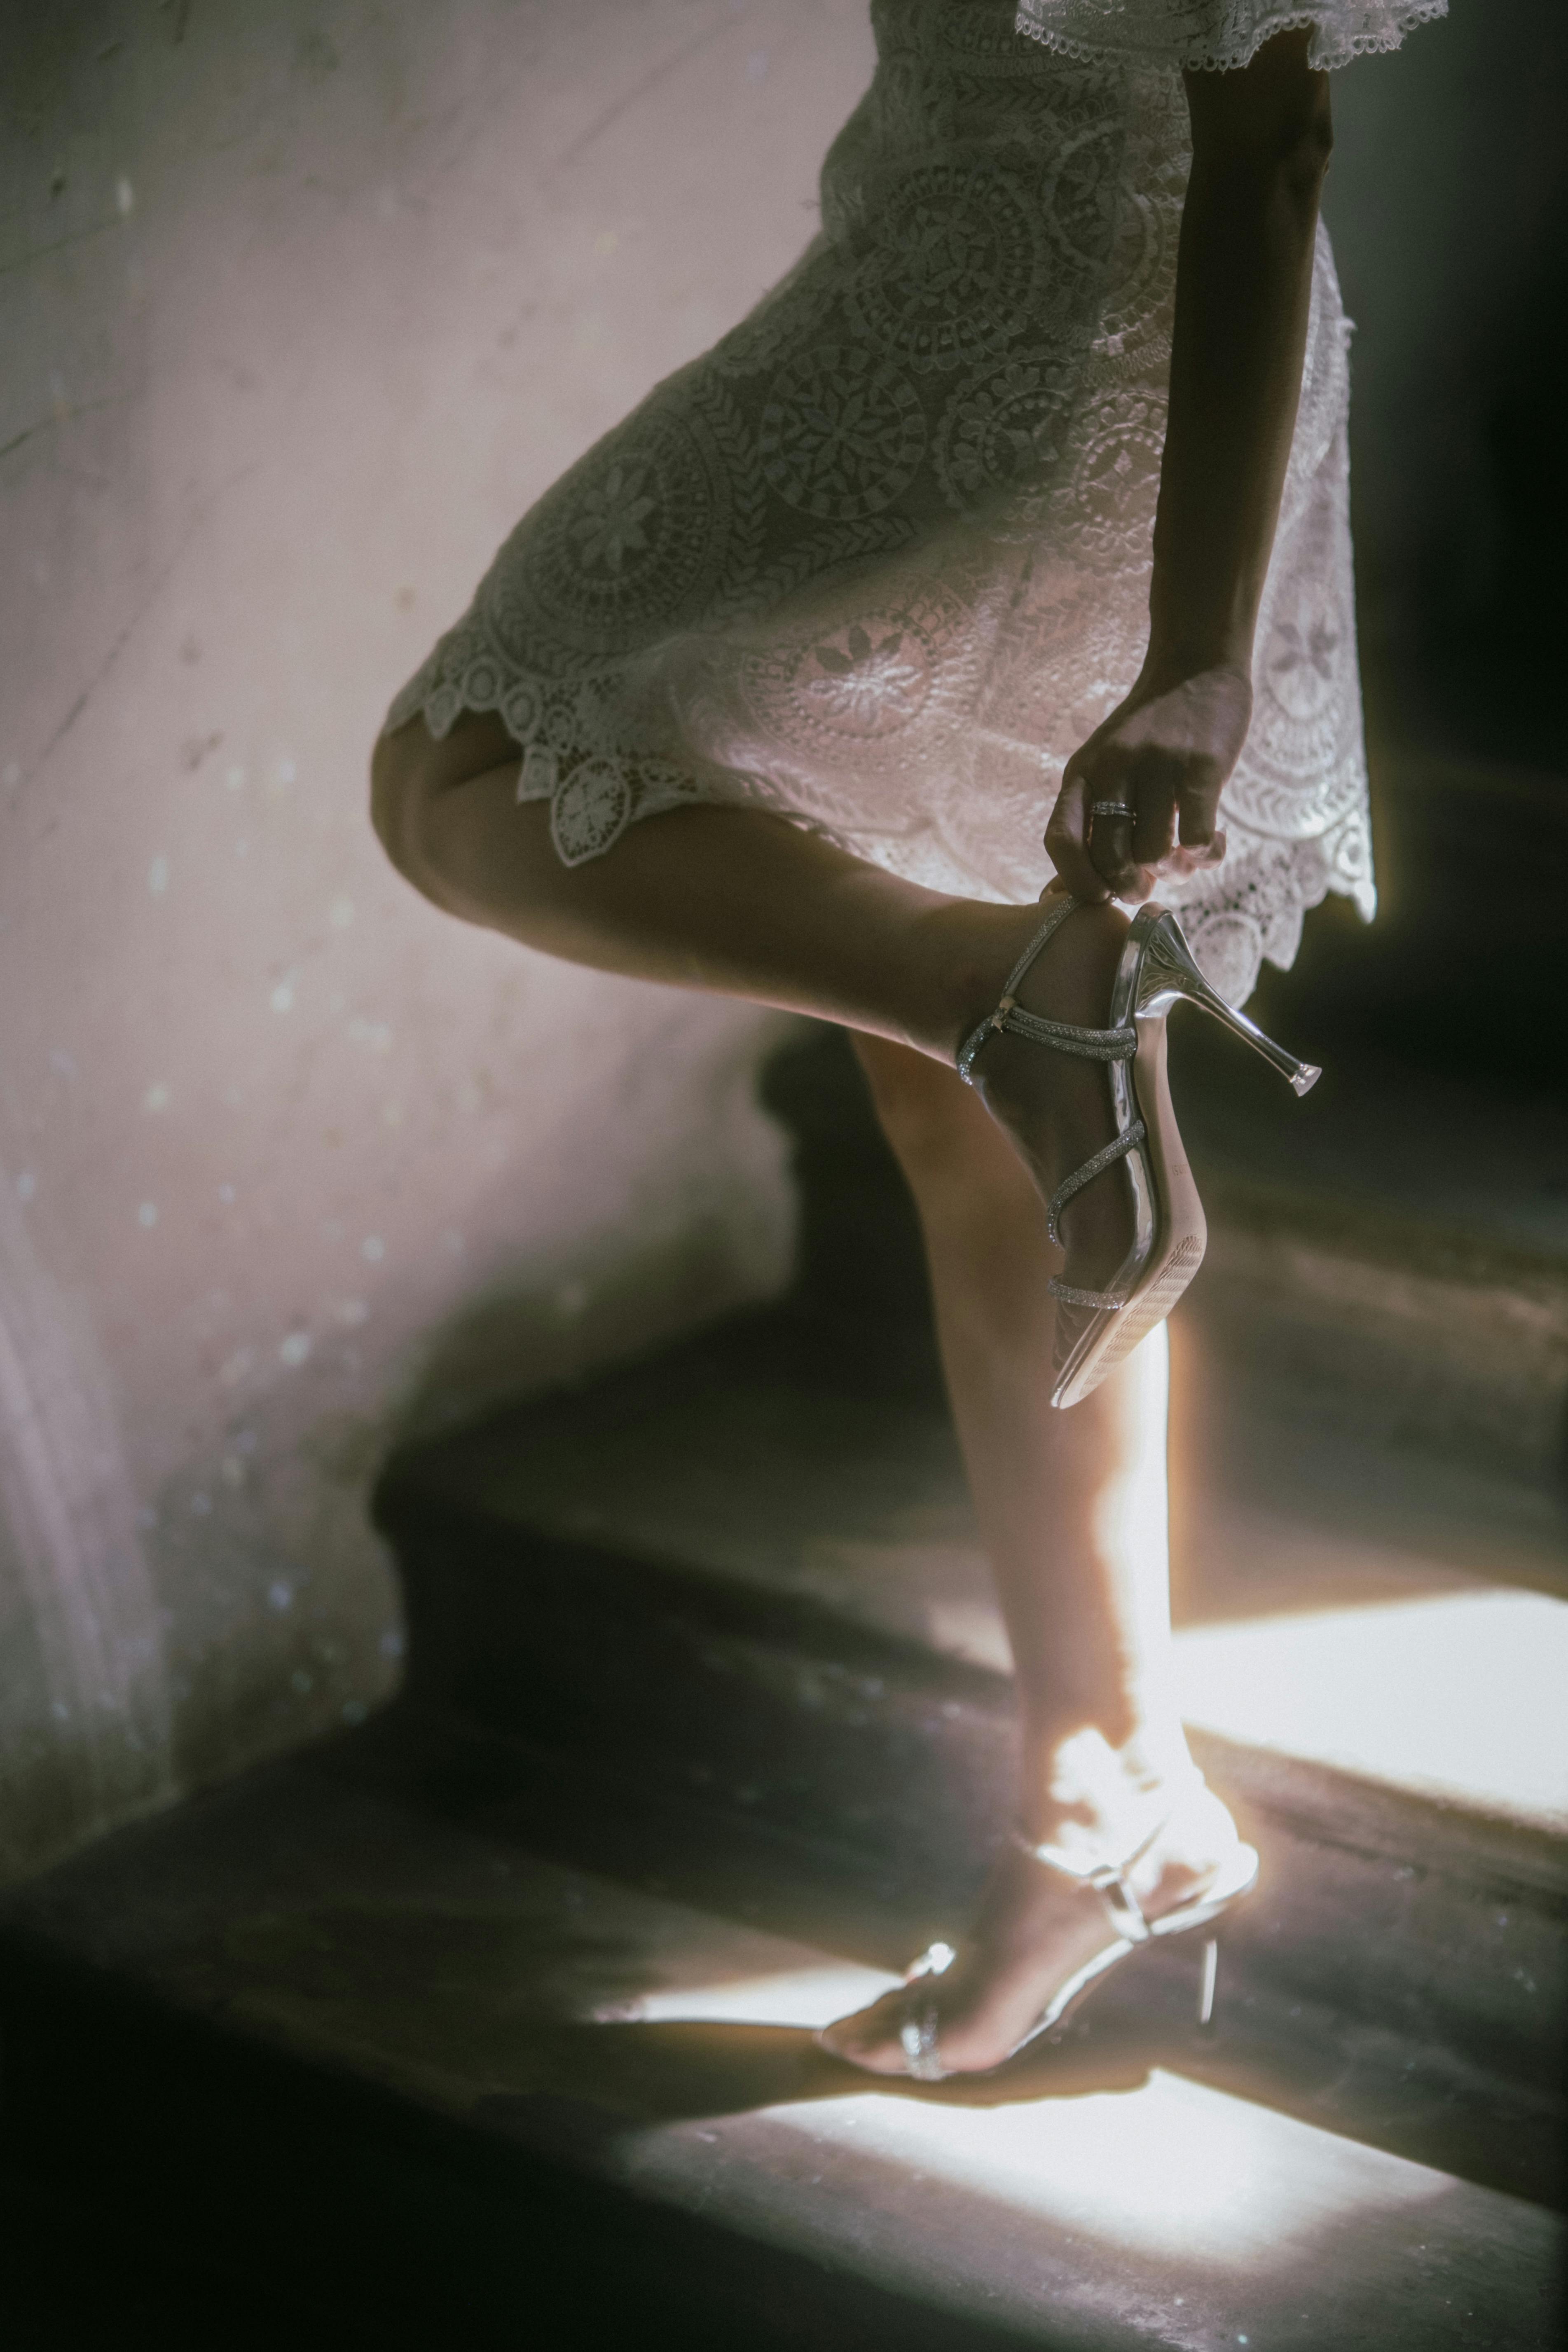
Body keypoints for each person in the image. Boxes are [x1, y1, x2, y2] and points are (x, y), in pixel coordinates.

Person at [370, 0, 1445, 2080]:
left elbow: (1270, 129)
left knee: (459, 770)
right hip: (938, 287)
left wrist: (1199, 660)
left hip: (1084, 361)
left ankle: (1012, 1004)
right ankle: (1101, 1785)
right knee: (967, 1129)